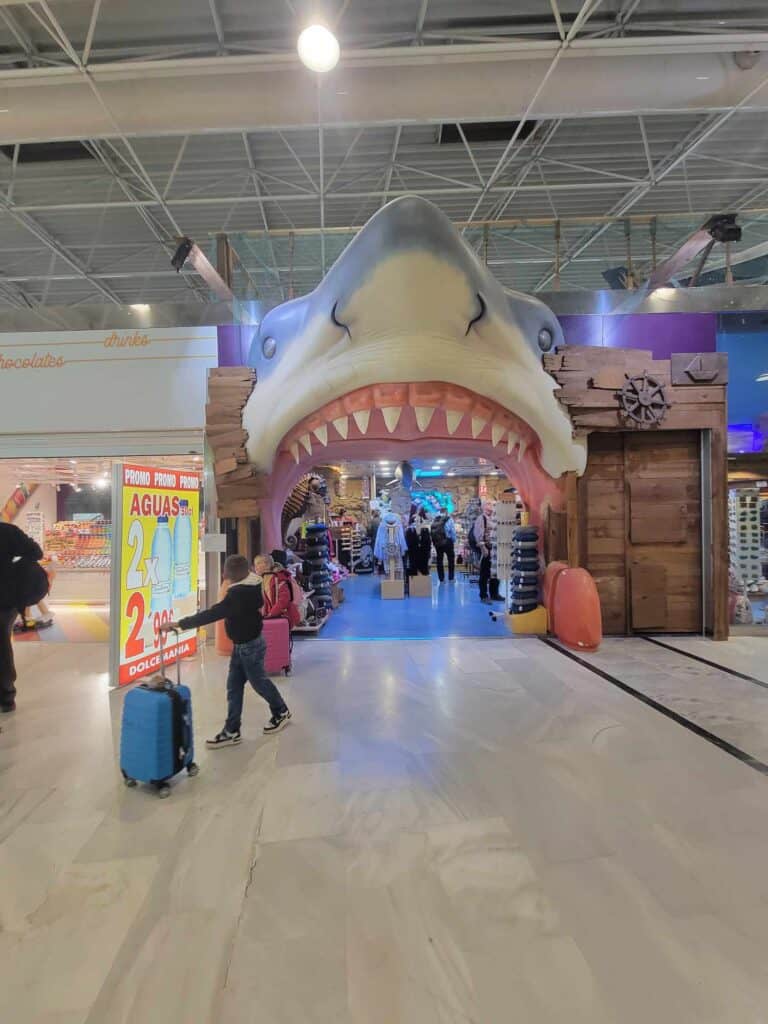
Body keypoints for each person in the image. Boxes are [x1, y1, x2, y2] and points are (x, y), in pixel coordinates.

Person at [161, 554, 290, 747]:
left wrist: (180, 624)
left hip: (248, 646)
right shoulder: (254, 581)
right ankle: (232, 729)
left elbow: (212, 614)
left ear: (228, 575)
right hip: (247, 643)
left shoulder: (237, 595)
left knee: (258, 683)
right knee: (234, 686)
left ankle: (280, 711)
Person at [0, 521, 43, 712]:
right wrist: (12, 567)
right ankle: (6, 695)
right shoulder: (7, 531)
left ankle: (6, 695)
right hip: (6, 599)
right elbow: (35, 552)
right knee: (1, 645)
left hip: (4, 599)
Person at [254, 552, 301, 627]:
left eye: (258, 563)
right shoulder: (263, 580)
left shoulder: (279, 578)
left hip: (281, 618)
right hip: (272, 619)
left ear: (267, 565)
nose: (255, 567)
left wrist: (271, 614)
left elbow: (284, 600)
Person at [473, 503, 503, 604]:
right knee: (485, 573)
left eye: (492, 505)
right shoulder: (481, 519)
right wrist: (483, 548)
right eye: (489, 505)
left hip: (496, 549)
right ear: (484, 508)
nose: (491, 507)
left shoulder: (495, 518)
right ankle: (483, 595)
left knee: (496, 572)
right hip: (487, 549)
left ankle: (494, 593)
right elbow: (478, 535)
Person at [431, 507, 456, 583]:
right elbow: (452, 531)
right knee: (451, 559)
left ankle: (441, 579)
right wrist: (453, 540)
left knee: (439, 560)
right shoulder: (449, 519)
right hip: (447, 541)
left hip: (438, 542)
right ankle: (451, 578)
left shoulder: (435, 519)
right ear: (446, 512)